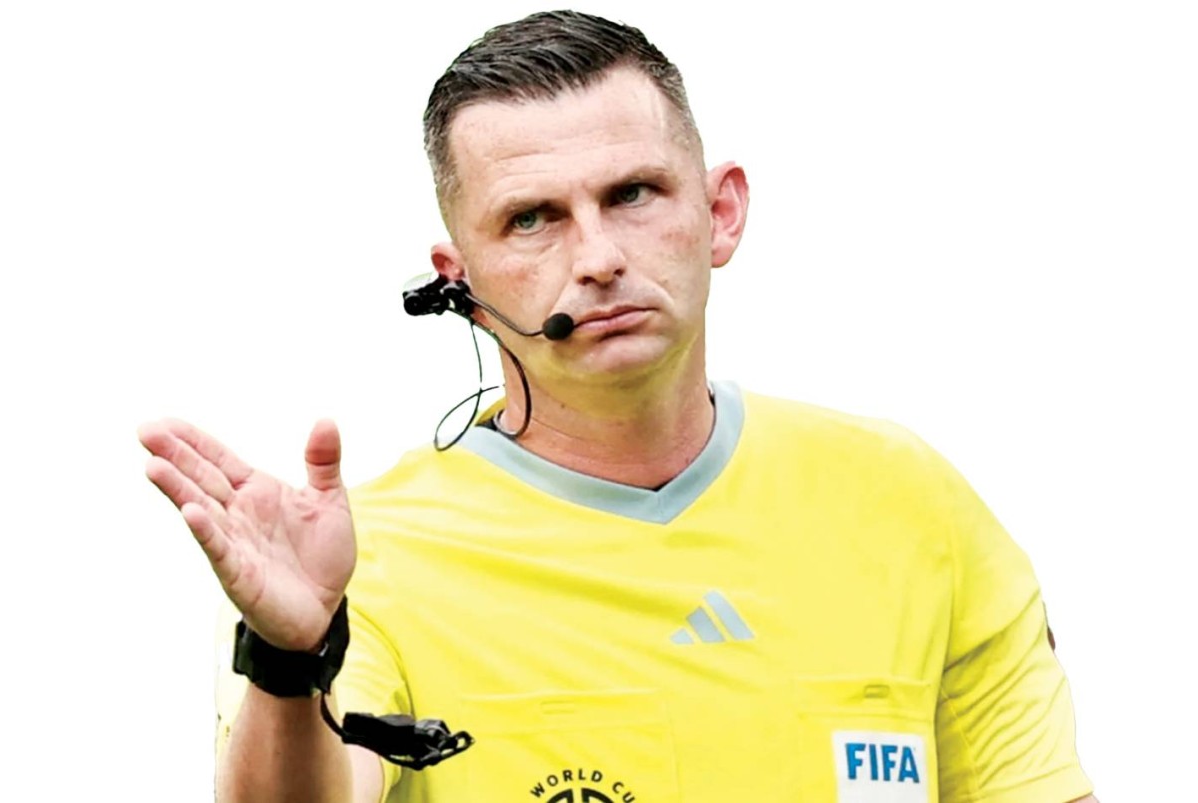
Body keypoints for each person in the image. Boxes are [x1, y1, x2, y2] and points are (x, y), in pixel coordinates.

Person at [139, 10, 1098, 803]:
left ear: (720, 212)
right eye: (532, 218)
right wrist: (290, 657)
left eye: (633, 193)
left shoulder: (910, 504)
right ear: (460, 280)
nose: (597, 257)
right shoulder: (363, 562)